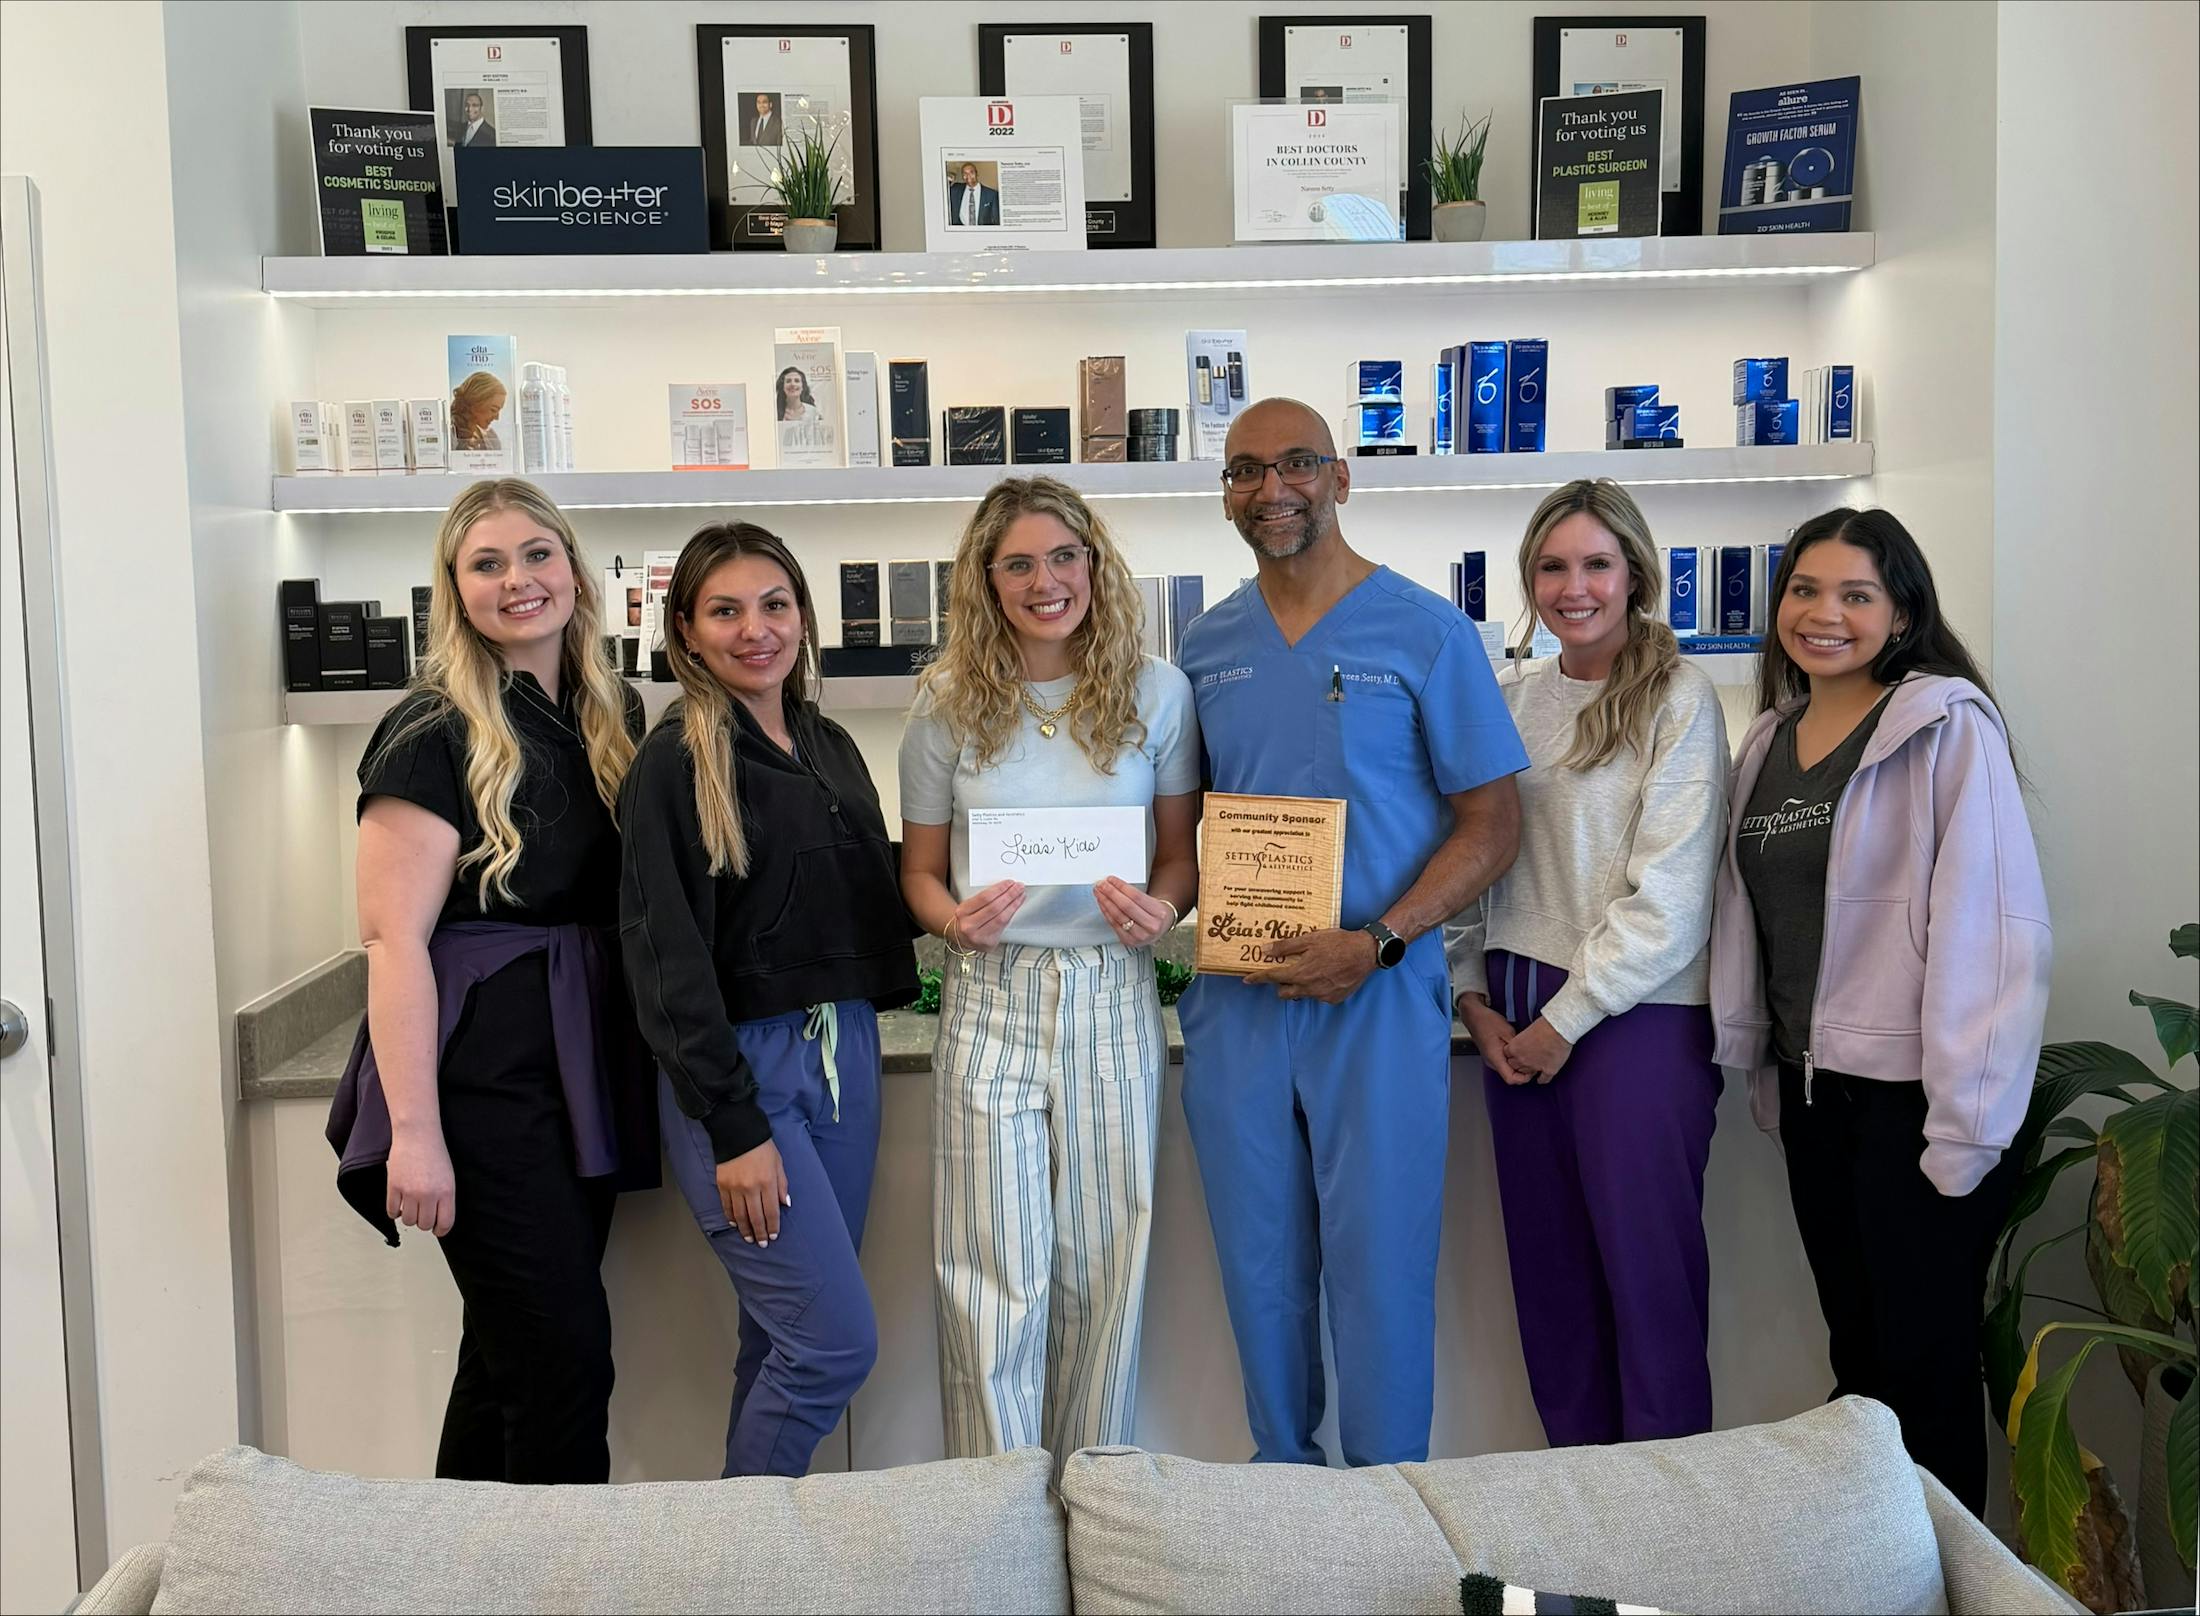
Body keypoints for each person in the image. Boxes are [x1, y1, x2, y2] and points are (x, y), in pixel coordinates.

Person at [1174, 398, 1527, 1465]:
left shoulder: (1427, 632)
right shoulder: (1206, 645)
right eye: (1244, 470)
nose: (1270, 489)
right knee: (1259, 1269)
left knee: (1380, 1269)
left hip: (1377, 991)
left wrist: (1377, 940)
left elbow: (1493, 824)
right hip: (1241, 1002)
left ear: (1340, 477)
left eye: (1296, 464)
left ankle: (1389, 1507)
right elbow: (1179, 825)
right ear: (1225, 494)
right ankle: (1284, 1491)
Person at [1709, 507, 2051, 1514]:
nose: (1824, 614)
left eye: (1855, 594)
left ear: (1901, 613)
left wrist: (1966, 1122)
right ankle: (1875, 1567)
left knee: (1927, 1374)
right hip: (1816, 1097)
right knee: (1859, 1369)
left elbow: (1994, 929)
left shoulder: (1943, 725)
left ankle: (1951, 1577)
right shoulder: (1767, 740)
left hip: (1919, 1102)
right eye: (1804, 590)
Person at [326, 478, 650, 1484]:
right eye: (488, 563)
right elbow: (392, 943)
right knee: (563, 1366)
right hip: (481, 1076)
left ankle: (446, 1559)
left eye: (537, 554)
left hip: (581, 1060)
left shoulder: (611, 711)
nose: (519, 579)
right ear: (455, 590)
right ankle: (566, 1568)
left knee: (507, 1359)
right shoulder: (429, 729)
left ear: (574, 570)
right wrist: (415, 1133)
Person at [898, 477, 1201, 1472]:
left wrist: (1162, 910)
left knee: (1104, 1264)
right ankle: (996, 1517)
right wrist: (953, 920)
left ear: (1094, 564)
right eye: (1019, 563)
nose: (1046, 581)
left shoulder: (1156, 692)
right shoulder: (946, 702)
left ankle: (1095, 1510)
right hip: (991, 993)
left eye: (1063, 556)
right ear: (986, 580)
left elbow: (1178, 859)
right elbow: (919, 872)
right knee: (989, 1274)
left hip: (1113, 988)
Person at [619, 521, 918, 1478]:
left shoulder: (828, 742)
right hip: (743, 1075)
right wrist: (734, 1126)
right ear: (686, 629)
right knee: (832, 1346)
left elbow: (854, 884)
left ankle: (753, 1544)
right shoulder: (675, 761)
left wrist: (992, 882)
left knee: (783, 1340)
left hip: (845, 1053)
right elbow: (666, 956)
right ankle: (734, 1553)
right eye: (726, 611)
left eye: (774, 605)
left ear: (803, 615)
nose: (756, 630)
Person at [1445, 479, 1728, 1449]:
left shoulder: (1679, 699)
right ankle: (1581, 1509)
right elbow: (1470, 855)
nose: (1575, 587)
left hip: (1634, 1020)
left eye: (1597, 564)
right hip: (1513, 1018)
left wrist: (1565, 1021)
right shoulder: (1508, 701)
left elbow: (1673, 896)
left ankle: (1667, 1520)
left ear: (1635, 574)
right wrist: (1470, 995)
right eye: (1553, 566)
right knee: (1553, 1294)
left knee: (1649, 1292)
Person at [449, 372, 506, 453]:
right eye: (493, 410)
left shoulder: (492, 437)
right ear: (475, 402)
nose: (497, 418)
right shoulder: (449, 434)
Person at [947, 162, 1000, 228]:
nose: (968, 176)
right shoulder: (955, 190)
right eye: (965, 173)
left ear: (977, 174)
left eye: (971, 172)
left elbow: (996, 221)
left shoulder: (991, 194)